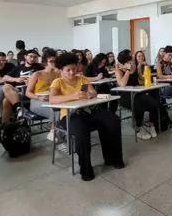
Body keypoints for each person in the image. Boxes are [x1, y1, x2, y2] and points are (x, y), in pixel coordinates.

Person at [49, 53, 124, 181]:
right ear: (61, 71)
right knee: (81, 131)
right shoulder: (58, 82)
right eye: (68, 70)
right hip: (70, 116)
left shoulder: (82, 79)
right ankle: (86, 169)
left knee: (113, 121)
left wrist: (90, 95)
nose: (72, 72)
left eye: (74, 69)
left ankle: (113, 159)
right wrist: (73, 96)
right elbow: (52, 99)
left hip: (89, 111)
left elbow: (93, 92)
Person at [116, 49, 158, 140]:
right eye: (131, 56)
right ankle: (138, 129)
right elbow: (122, 84)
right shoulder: (119, 69)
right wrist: (127, 70)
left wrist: (141, 71)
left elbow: (141, 82)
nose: (133, 57)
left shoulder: (135, 66)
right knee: (139, 106)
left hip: (137, 92)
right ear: (126, 59)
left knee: (154, 103)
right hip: (125, 95)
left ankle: (151, 125)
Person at [26, 49, 60, 141]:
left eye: (55, 61)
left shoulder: (58, 74)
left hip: (52, 99)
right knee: (55, 109)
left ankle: (60, 131)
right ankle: (53, 131)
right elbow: (28, 92)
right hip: (37, 100)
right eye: (51, 61)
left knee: (62, 108)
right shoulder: (37, 74)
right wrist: (39, 97)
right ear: (45, 62)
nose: (53, 63)